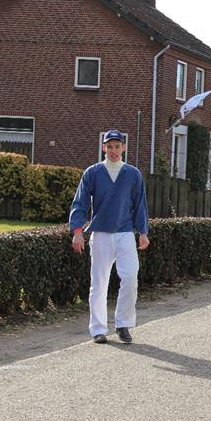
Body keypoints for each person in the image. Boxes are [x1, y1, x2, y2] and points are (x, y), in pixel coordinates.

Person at [69, 129, 150, 344]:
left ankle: (123, 324)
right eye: (110, 147)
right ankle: (98, 329)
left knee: (130, 277)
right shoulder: (93, 173)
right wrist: (77, 232)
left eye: (117, 146)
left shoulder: (133, 174)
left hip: (125, 233)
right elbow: (80, 203)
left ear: (123, 147)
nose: (113, 151)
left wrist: (143, 232)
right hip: (101, 234)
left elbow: (139, 204)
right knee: (99, 283)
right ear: (104, 147)